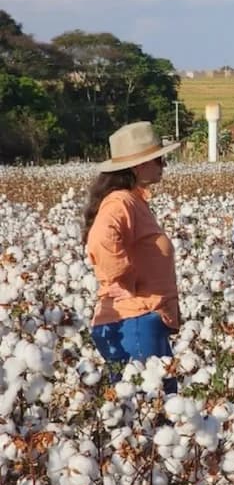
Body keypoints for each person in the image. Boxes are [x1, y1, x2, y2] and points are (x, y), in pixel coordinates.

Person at [83, 121, 182, 388]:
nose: (164, 165)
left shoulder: (133, 201)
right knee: (150, 408)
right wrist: (126, 278)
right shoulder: (120, 201)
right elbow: (101, 239)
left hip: (140, 321)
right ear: (139, 166)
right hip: (134, 322)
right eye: (159, 159)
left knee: (153, 408)